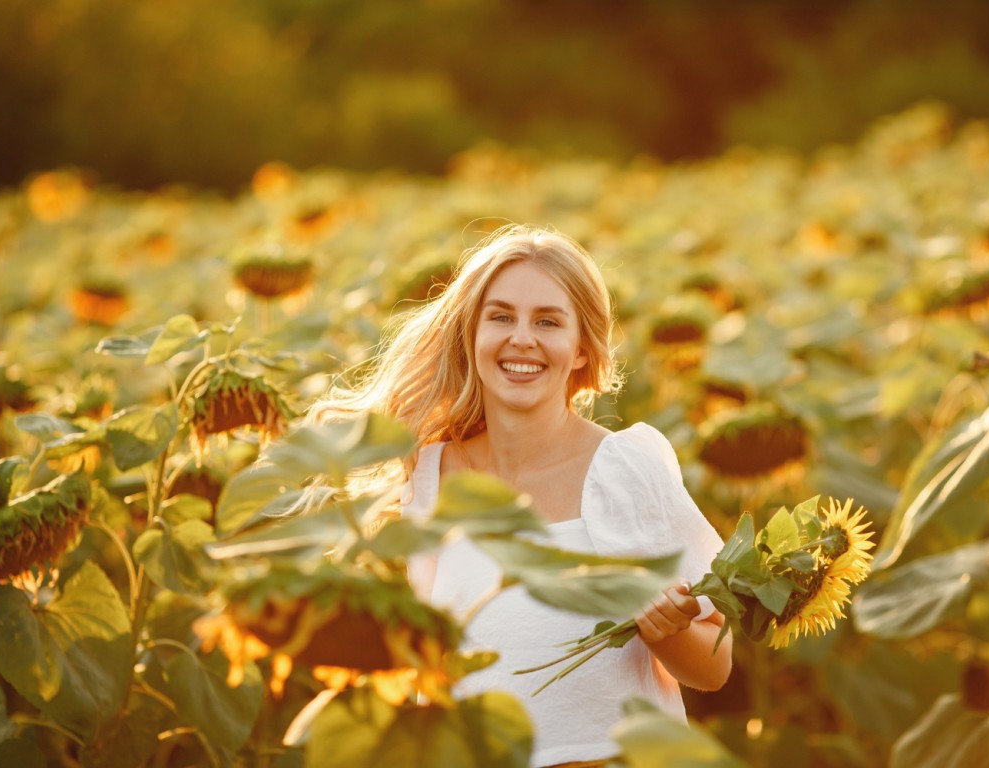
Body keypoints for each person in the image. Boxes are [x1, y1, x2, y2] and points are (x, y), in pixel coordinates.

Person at [308, 223, 732, 768]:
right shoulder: (432, 474)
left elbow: (714, 669)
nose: (522, 338)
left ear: (581, 349)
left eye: (548, 322)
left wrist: (665, 633)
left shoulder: (624, 468)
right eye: (502, 316)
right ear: (472, 334)